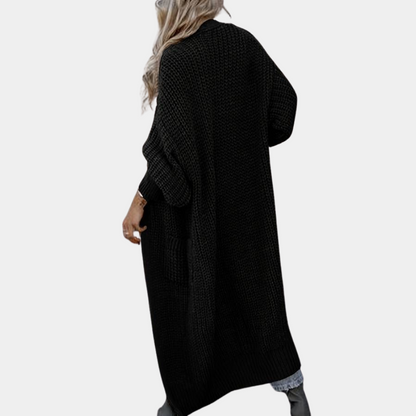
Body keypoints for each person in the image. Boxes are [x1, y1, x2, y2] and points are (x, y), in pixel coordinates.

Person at [122, 1, 311, 415]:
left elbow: (170, 156)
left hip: (193, 211)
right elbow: (284, 109)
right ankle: (296, 396)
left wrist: (139, 201)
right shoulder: (244, 43)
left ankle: (179, 402)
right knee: (258, 294)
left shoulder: (178, 58)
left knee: (184, 297)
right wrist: (240, 145)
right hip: (247, 205)